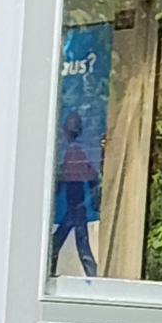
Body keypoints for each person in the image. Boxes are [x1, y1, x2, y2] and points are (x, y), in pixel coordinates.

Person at [51, 108, 101, 277]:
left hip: (76, 208)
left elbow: (80, 176)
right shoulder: (76, 152)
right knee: (80, 246)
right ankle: (92, 277)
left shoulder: (73, 153)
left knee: (65, 245)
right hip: (75, 208)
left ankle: (92, 278)